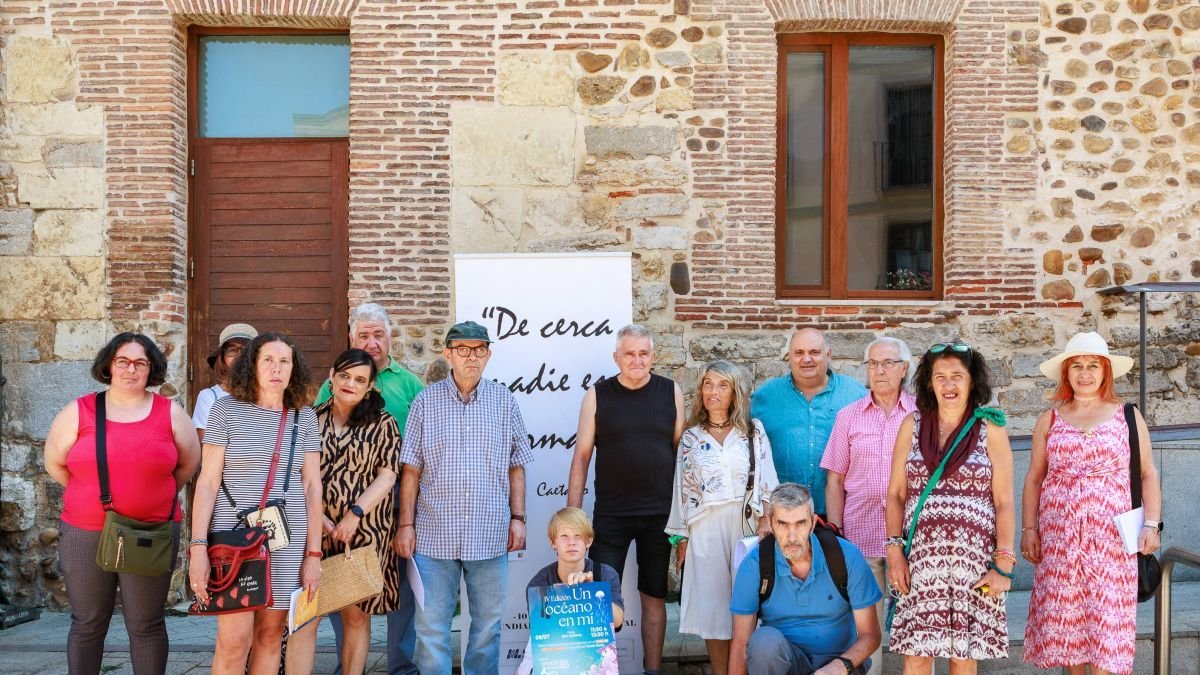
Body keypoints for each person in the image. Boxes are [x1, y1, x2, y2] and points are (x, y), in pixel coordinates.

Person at [43, 332, 201, 675]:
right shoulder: (79, 411)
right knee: (87, 622)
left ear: (151, 369)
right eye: (123, 361)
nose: (131, 369)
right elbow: (54, 462)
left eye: (141, 363)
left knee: (146, 624)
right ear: (109, 366)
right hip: (86, 531)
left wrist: (152, 494)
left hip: (152, 532)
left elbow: (188, 464)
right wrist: (90, 493)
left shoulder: (170, 413)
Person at [396, 320, 533, 675]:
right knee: (431, 630)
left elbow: (517, 465)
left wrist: (519, 518)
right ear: (448, 354)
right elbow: (410, 469)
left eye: (479, 349)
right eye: (463, 349)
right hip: (432, 535)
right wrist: (406, 525)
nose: (471, 357)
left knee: (487, 628)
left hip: (490, 533)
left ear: (488, 355)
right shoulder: (426, 402)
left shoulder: (504, 402)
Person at [1022, 331, 1162, 675]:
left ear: (1106, 372)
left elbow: (1147, 474)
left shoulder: (1128, 416)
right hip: (1061, 543)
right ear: (1066, 373)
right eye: (1077, 366)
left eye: (1093, 366)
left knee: (1106, 631)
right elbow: (1034, 478)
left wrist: (1151, 524)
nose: (1085, 373)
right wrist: (1029, 530)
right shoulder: (1049, 420)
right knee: (1069, 629)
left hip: (1111, 543)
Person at [188, 332, 322, 675]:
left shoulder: (303, 417)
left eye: (284, 361)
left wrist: (313, 555)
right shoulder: (225, 410)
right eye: (268, 360)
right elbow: (207, 482)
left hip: (286, 541)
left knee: (270, 635)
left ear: (295, 368)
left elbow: (311, 486)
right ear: (252, 365)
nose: (276, 369)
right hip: (233, 540)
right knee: (234, 641)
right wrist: (198, 548)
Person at [884, 341, 1015, 673]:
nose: (949, 384)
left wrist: (1003, 564)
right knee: (916, 653)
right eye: (940, 377)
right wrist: (895, 552)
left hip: (973, 560)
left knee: (964, 654)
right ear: (929, 383)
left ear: (973, 381)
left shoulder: (991, 428)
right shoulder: (911, 426)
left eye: (957, 375)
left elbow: (1004, 501)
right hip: (921, 560)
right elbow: (896, 494)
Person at [567, 323, 686, 675]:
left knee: (654, 597)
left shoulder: (671, 392)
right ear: (616, 357)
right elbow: (582, 457)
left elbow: (681, 456)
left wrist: (683, 519)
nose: (637, 360)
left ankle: (652, 671)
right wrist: (573, 515)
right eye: (629, 353)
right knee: (600, 599)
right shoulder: (598, 395)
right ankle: (599, 670)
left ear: (653, 356)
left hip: (659, 517)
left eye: (644, 353)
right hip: (611, 516)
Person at [314, 303, 424, 675]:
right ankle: (349, 662)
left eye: (379, 334)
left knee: (397, 597)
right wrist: (325, 519)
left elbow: (395, 467)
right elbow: (307, 467)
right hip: (322, 516)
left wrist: (357, 513)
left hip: (385, 509)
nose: (372, 342)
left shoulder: (409, 385)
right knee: (333, 595)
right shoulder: (316, 412)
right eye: (364, 335)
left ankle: (400, 666)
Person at [286, 349, 403, 675]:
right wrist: (317, 518)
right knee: (305, 616)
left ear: (370, 387)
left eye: (360, 379)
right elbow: (295, 472)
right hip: (313, 532)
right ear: (333, 376)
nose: (351, 383)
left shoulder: (384, 423)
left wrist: (354, 514)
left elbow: (388, 474)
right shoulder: (308, 418)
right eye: (345, 375)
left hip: (363, 532)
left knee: (355, 616)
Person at [666, 360, 778, 675]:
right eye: (708, 384)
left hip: (745, 525)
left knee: (748, 606)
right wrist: (681, 537)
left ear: (735, 392)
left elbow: (768, 481)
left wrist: (767, 519)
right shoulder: (690, 437)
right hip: (705, 527)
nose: (714, 392)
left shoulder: (753, 431)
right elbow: (681, 488)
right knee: (715, 612)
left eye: (722, 385)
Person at [821, 337, 915, 675]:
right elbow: (834, 480)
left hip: (911, 538)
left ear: (904, 368)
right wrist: (836, 533)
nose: (879, 370)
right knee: (865, 632)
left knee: (917, 632)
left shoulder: (922, 415)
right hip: (861, 536)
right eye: (873, 363)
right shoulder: (849, 417)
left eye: (888, 363)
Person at [729, 483, 881, 675]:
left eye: (800, 523)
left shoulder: (845, 556)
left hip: (839, 664)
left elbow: (871, 635)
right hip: (785, 663)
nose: (792, 537)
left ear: (813, 522)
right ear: (771, 523)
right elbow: (741, 644)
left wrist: (839, 667)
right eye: (782, 524)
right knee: (763, 643)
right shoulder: (755, 564)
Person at [752, 328, 867, 517]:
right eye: (799, 353)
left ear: (828, 354)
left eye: (814, 352)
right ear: (789, 356)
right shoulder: (765, 397)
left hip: (841, 516)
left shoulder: (855, 395)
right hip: (784, 517)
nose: (806, 359)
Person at [517, 507, 626, 675]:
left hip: (592, 653)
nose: (571, 543)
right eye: (564, 536)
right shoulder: (539, 584)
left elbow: (618, 621)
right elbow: (543, 635)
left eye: (578, 536)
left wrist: (592, 592)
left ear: (589, 541)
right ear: (553, 542)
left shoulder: (605, 574)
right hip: (556, 652)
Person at [193, 323, 258, 442]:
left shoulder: (268, 395)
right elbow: (209, 446)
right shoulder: (209, 397)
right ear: (222, 357)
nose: (239, 355)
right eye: (232, 350)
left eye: (245, 350)